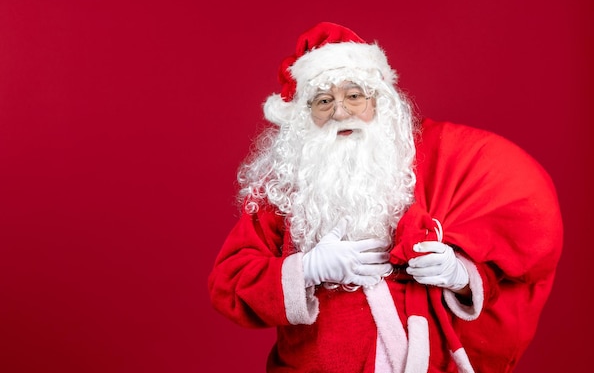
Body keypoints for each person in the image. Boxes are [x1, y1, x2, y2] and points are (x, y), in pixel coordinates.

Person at [208, 22, 563, 373]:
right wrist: (307, 269)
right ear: (305, 115)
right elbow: (230, 283)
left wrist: (460, 275)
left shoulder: (426, 166)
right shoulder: (282, 189)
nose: (341, 112)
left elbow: (505, 247)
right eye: (324, 100)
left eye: (354, 95)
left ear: (379, 102)